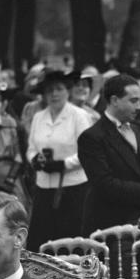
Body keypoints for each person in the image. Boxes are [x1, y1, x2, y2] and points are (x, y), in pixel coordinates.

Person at [77, 74, 140, 234]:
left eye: (139, 100)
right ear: (114, 101)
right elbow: (103, 183)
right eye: (133, 101)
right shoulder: (92, 137)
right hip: (110, 223)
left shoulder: (137, 129)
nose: (139, 106)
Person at [24, 69, 92, 250]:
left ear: (68, 91)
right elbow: (31, 148)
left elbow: (87, 151)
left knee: (70, 241)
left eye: (59, 89)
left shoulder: (79, 115)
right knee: (40, 240)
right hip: (44, 187)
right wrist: (34, 160)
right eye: (49, 90)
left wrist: (63, 164)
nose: (54, 94)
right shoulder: (39, 117)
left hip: (73, 188)